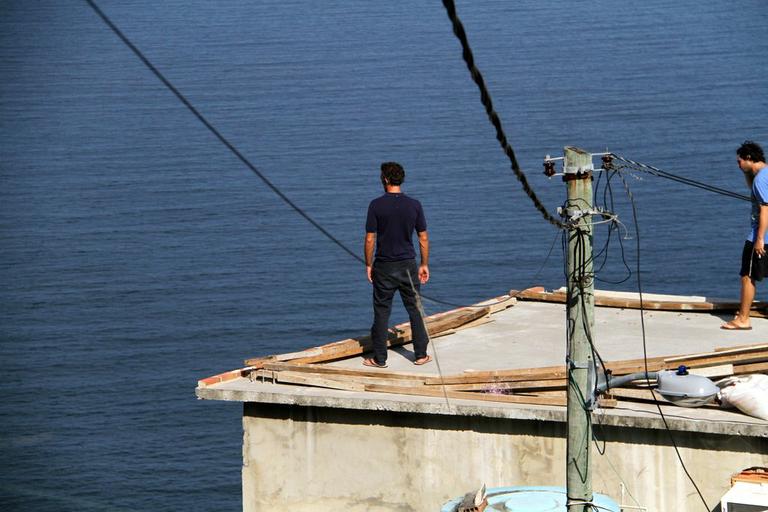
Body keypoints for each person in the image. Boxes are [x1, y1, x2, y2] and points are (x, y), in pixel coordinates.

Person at [363, 162, 431, 367]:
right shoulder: (414, 204)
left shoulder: (376, 205)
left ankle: (379, 358)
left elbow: (369, 239)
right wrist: (424, 264)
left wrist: (368, 264)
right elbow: (423, 238)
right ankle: (420, 355)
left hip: (383, 266)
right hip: (408, 265)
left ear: (385, 179)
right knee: (415, 309)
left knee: (382, 311)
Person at [722, 140, 768, 330]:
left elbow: (765, 210)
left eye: (739, 161)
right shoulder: (764, 174)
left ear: (749, 158)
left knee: (747, 276)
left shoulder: (760, 180)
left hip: (760, 236)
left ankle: (743, 319)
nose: (738, 165)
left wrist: (759, 240)